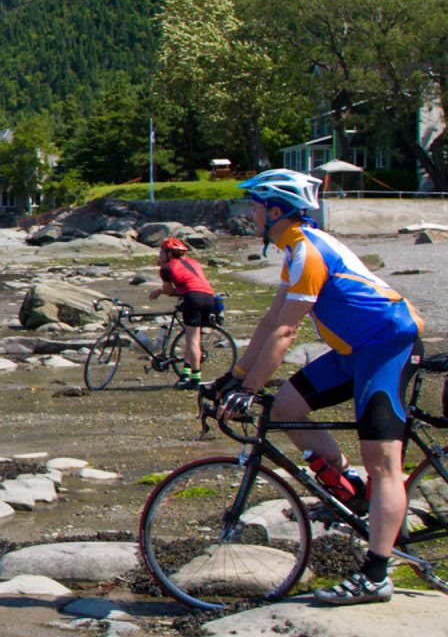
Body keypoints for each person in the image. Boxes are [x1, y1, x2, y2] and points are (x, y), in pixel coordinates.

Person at [211, 168, 422, 606]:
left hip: (387, 346)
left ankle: (377, 574)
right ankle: (345, 487)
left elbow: (286, 334)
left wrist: (248, 390)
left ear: (274, 210)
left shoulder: (308, 252)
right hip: (352, 350)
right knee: (285, 406)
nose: (249, 215)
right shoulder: (294, 252)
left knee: (381, 461)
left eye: (254, 207)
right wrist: (231, 378)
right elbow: (270, 321)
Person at [148, 237, 219, 388]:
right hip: (209, 297)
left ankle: (195, 379)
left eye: (161, 251)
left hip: (193, 298)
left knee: (192, 339)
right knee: (192, 336)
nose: (159, 254)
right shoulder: (193, 262)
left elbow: (168, 290)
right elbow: (191, 281)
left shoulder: (167, 268)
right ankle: (186, 373)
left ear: (169, 253)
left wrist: (159, 291)